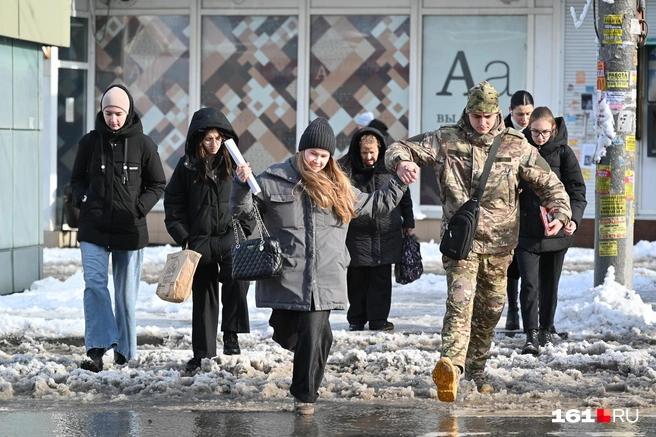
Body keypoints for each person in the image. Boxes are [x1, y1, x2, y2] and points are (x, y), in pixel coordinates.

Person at [385, 81, 572, 402]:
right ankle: (452, 368)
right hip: (461, 244)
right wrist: (401, 163)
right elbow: (398, 147)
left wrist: (561, 212)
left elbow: (549, 182)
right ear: (467, 112)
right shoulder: (445, 139)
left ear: (498, 113)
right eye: (475, 116)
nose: (482, 123)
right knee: (460, 303)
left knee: (491, 309)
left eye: (487, 116)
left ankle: (476, 368)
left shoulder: (515, 144)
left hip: (501, 245)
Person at [230, 117, 408, 415]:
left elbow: (375, 204)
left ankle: (305, 397)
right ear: (302, 151)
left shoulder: (339, 185)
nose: (318, 160)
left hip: (325, 275)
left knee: (313, 333)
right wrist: (240, 185)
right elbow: (244, 214)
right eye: (313, 153)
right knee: (287, 333)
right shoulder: (274, 178)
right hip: (286, 274)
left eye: (324, 156)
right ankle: (315, 347)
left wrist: (400, 182)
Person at [70, 84, 166, 372]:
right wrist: (82, 199)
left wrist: (137, 208)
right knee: (95, 285)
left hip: (130, 229)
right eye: (108, 113)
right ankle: (97, 349)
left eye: (118, 113)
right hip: (94, 227)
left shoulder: (144, 145)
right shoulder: (89, 143)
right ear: (102, 112)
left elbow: (157, 183)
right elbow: (76, 180)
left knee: (125, 296)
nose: (113, 119)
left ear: (129, 112)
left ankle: (125, 352)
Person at [164, 107, 252, 372]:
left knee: (238, 281)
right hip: (199, 241)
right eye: (208, 139)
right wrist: (184, 237)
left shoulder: (236, 163)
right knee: (203, 296)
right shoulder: (187, 166)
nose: (214, 144)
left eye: (218, 138)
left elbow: (250, 198)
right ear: (198, 140)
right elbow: (173, 203)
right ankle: (202, 353)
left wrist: (244, 230)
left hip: (229, 237)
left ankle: (231, 334)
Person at [517, 107, 587, 355]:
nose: (540, 137)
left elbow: (577, 191)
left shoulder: (564, 153)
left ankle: (546, 329)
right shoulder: (519, 149)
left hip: (556, 231)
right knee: (529, 285)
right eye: (535, 131)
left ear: (553, 129)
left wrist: (573, 220)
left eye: (545, 132)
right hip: (525, 230)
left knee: (549, 284)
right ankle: (531, 334)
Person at [337, 127, 415, 331]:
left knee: (380, 280)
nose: (369, 157)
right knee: (356, 280)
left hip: (386, 232)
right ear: (357, 150)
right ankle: (356, 319)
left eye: (373, 152)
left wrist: (409, 221)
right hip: (356, 234)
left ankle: (379, 319)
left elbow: (404, 195)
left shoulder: (390, 167)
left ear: (380, 148)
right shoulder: (345, 168)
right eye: (364, 153)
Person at [503, 90, 535, 331]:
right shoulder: (501, 130)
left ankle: (528, 313)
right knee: (509, 262)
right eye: (520, 114)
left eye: (529, 114)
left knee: (528, 259)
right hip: (504, 203)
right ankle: (512, 310)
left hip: (530, 204)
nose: (525, 119)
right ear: (511, 111)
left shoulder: (537, 131)